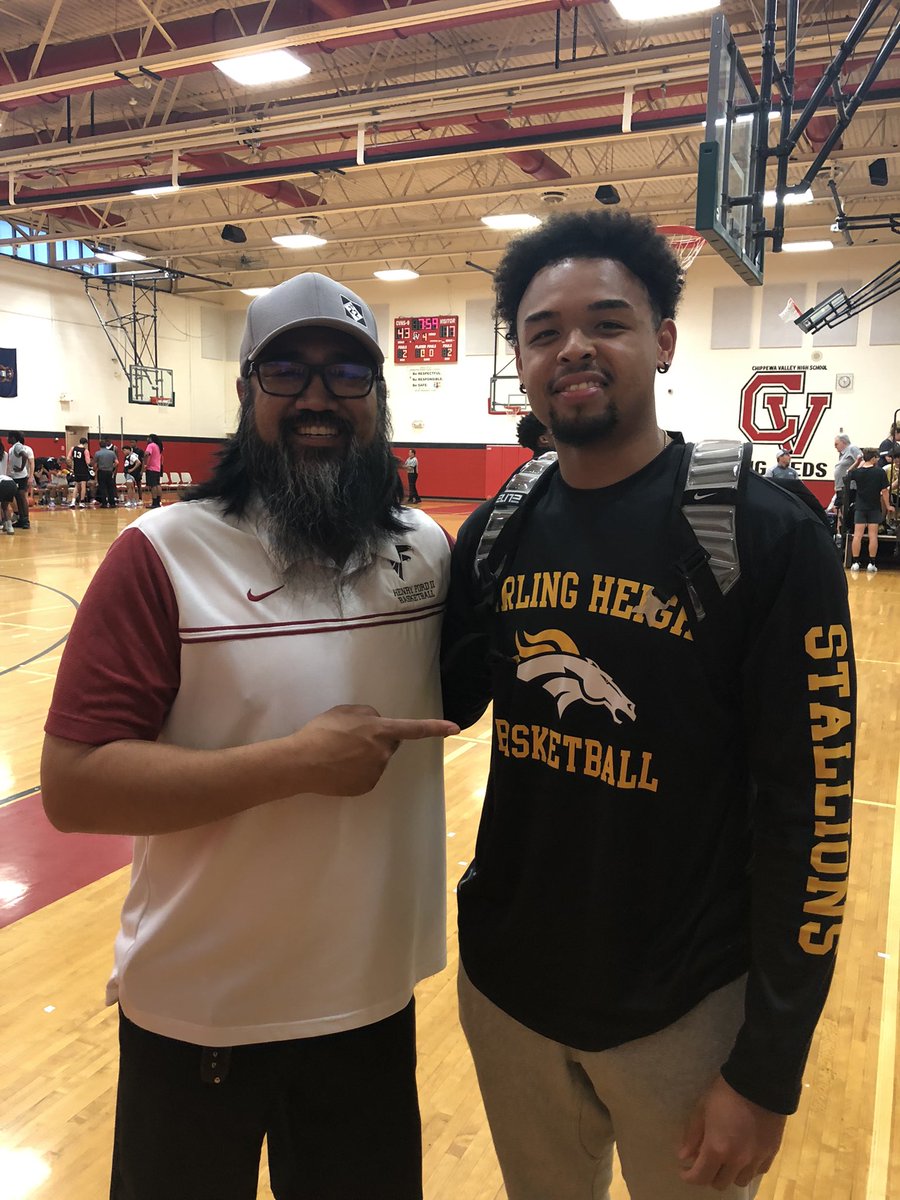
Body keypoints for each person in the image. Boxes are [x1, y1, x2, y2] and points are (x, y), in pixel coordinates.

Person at [441, 210, 854, 1200]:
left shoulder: (763, 531)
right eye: (544, 332)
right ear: (522, 362)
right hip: (508, 996)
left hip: (684, 1016)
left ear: (663, 341)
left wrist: (768, 1066)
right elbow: (440, 700)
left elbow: (816, 812)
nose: (573, 348)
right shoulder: (498, 528)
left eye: (609, 322)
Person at [41, 271, 459, 1200]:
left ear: (377, 398)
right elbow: (73, 787)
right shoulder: (160, 553)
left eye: (347, 373)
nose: (318, 397)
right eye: (288, 371)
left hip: (369, 1010)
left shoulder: (425, 550)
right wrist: (296, 765)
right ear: (245, 394)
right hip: (200, 1018)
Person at [847, 447, 892, 573]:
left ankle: (855, 563)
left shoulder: (858, 472)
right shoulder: (879, 472)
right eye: (877, 457)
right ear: (873, 458)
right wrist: (888, 506)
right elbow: (884, 491)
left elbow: (848, 473)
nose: (878, 459)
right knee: (873, 536)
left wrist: (857, 462)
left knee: (857, 536)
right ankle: (871, 564)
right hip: (874, 507)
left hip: (860, 507)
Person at [7, 430, 34, 529]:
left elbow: (25, 455)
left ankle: (26, 521)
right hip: (16, 477)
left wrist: (22, 467)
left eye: (8, 437)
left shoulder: (18, 446)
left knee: (22, 499)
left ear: (13, 438)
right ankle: (21, 520)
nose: (7, 439)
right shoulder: (13, 447)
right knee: (18, 499)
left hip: (20, 477)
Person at [94, 440, 119, 508]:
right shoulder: (112, 453)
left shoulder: (97, 453)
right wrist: (111, 466)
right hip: (109, 472)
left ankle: (104, 503)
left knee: (102, 487)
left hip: (101, 472)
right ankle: (112, 503)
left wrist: (95, 470)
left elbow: (95, 465)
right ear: (106, 445)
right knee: (110, 487)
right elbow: (117, 462)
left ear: (99, 445)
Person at [69, 436, 92, 507]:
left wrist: (73, 463)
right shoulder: (85, 450)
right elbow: (88, 462)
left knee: (76, 486)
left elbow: (68, 457)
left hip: (76, 469)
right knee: (83, 486)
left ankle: (73, 501)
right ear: (85, 443)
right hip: (83, 469)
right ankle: (81, 502)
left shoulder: (73, 448)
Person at [144, 434, 163, 508]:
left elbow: (146, 454)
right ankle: (158, 502)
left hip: (151, 468)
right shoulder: (158, 446)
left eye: (148, 438)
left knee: (153, 486)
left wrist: (145, 464)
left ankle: (154, 503)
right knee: (157, 485)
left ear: (151, 439)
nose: (147, 439)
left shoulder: (151, 445)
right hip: (158, 468)